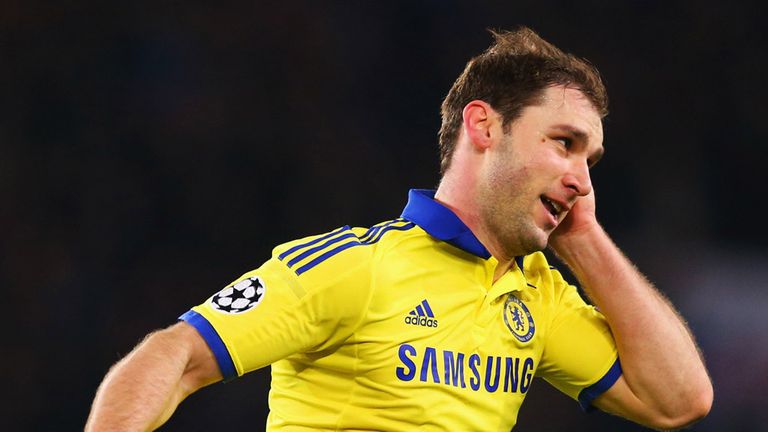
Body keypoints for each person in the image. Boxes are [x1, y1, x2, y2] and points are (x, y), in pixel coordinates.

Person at [86, 27, 712, 431]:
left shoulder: (539, 298)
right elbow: (173, 354)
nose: (582, 178)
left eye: (589, 161)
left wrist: (585, 241)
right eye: (563, 144)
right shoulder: (357, 267)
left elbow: (678, 401)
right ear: (484, 127)